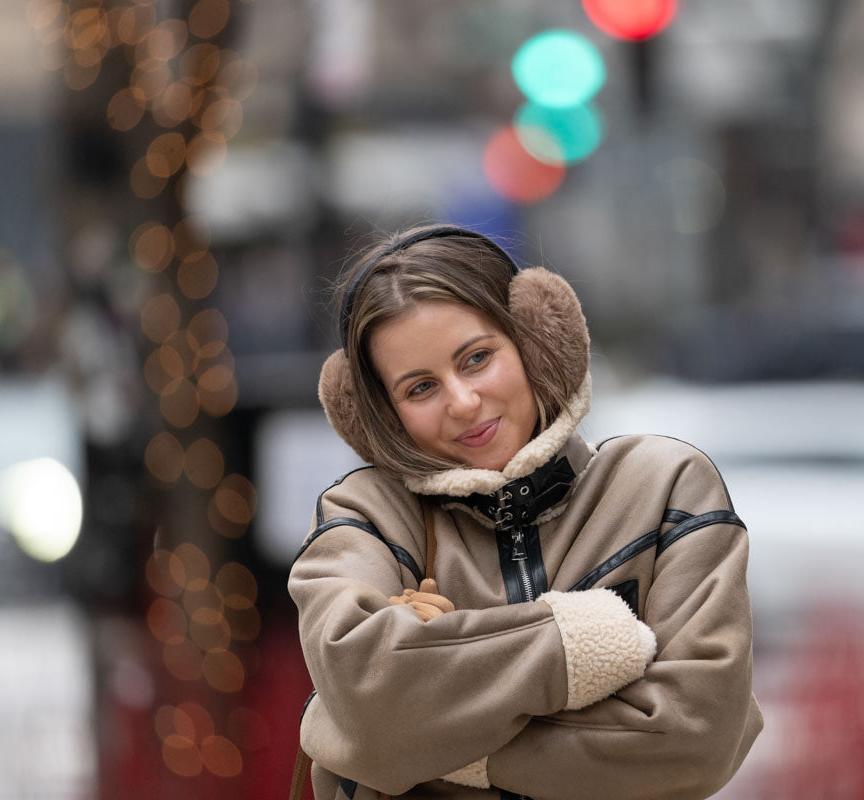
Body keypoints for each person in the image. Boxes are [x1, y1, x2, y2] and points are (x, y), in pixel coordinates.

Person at [290, 225, 763, 800]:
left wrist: (434, 733)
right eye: (420, 388)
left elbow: (694, 737)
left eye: (477, 358)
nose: (463, 402)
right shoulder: (366, 516)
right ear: (382, 415)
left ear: (534, 339)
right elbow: (369, 696)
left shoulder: (663, 489)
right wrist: (576, 643)